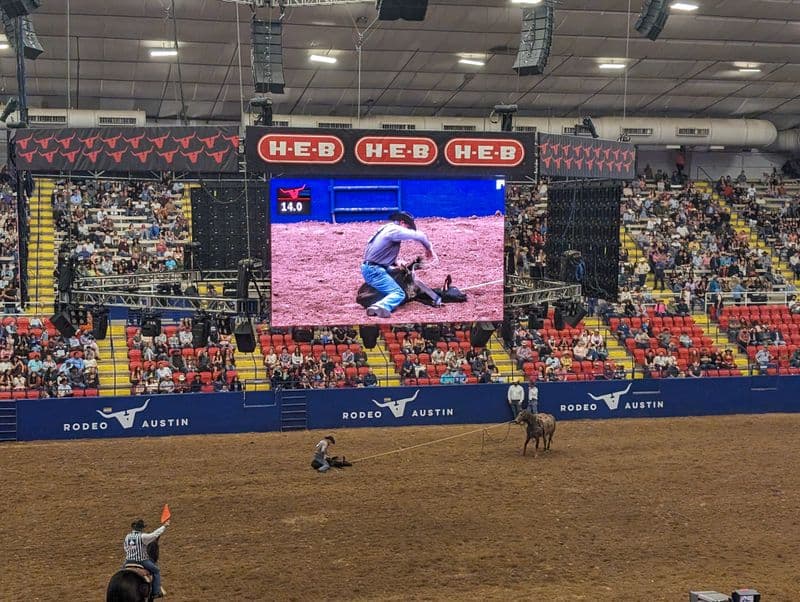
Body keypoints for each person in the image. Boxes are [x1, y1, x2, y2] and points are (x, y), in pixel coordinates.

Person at [361, 211, 437, 318]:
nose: (407, 230)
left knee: (400, 274)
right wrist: (428, 249)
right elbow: (420, 236)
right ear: (402, 223)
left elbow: (378, 253)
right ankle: (379, 306)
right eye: (408, 227)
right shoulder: (395, 230)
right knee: (398, 294)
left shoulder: (385, 228)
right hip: (375, 270)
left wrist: (397, 262)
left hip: (374, 267)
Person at [123, 518, 170, 598]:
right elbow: (154, 535)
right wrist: (164, 526)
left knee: (121, 573)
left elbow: (125, 547)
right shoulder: (143, 536)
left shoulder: (127, 536)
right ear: (141, 528)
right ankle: (156, 592)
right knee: (156, 571)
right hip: (141, 561)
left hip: (128, 561)